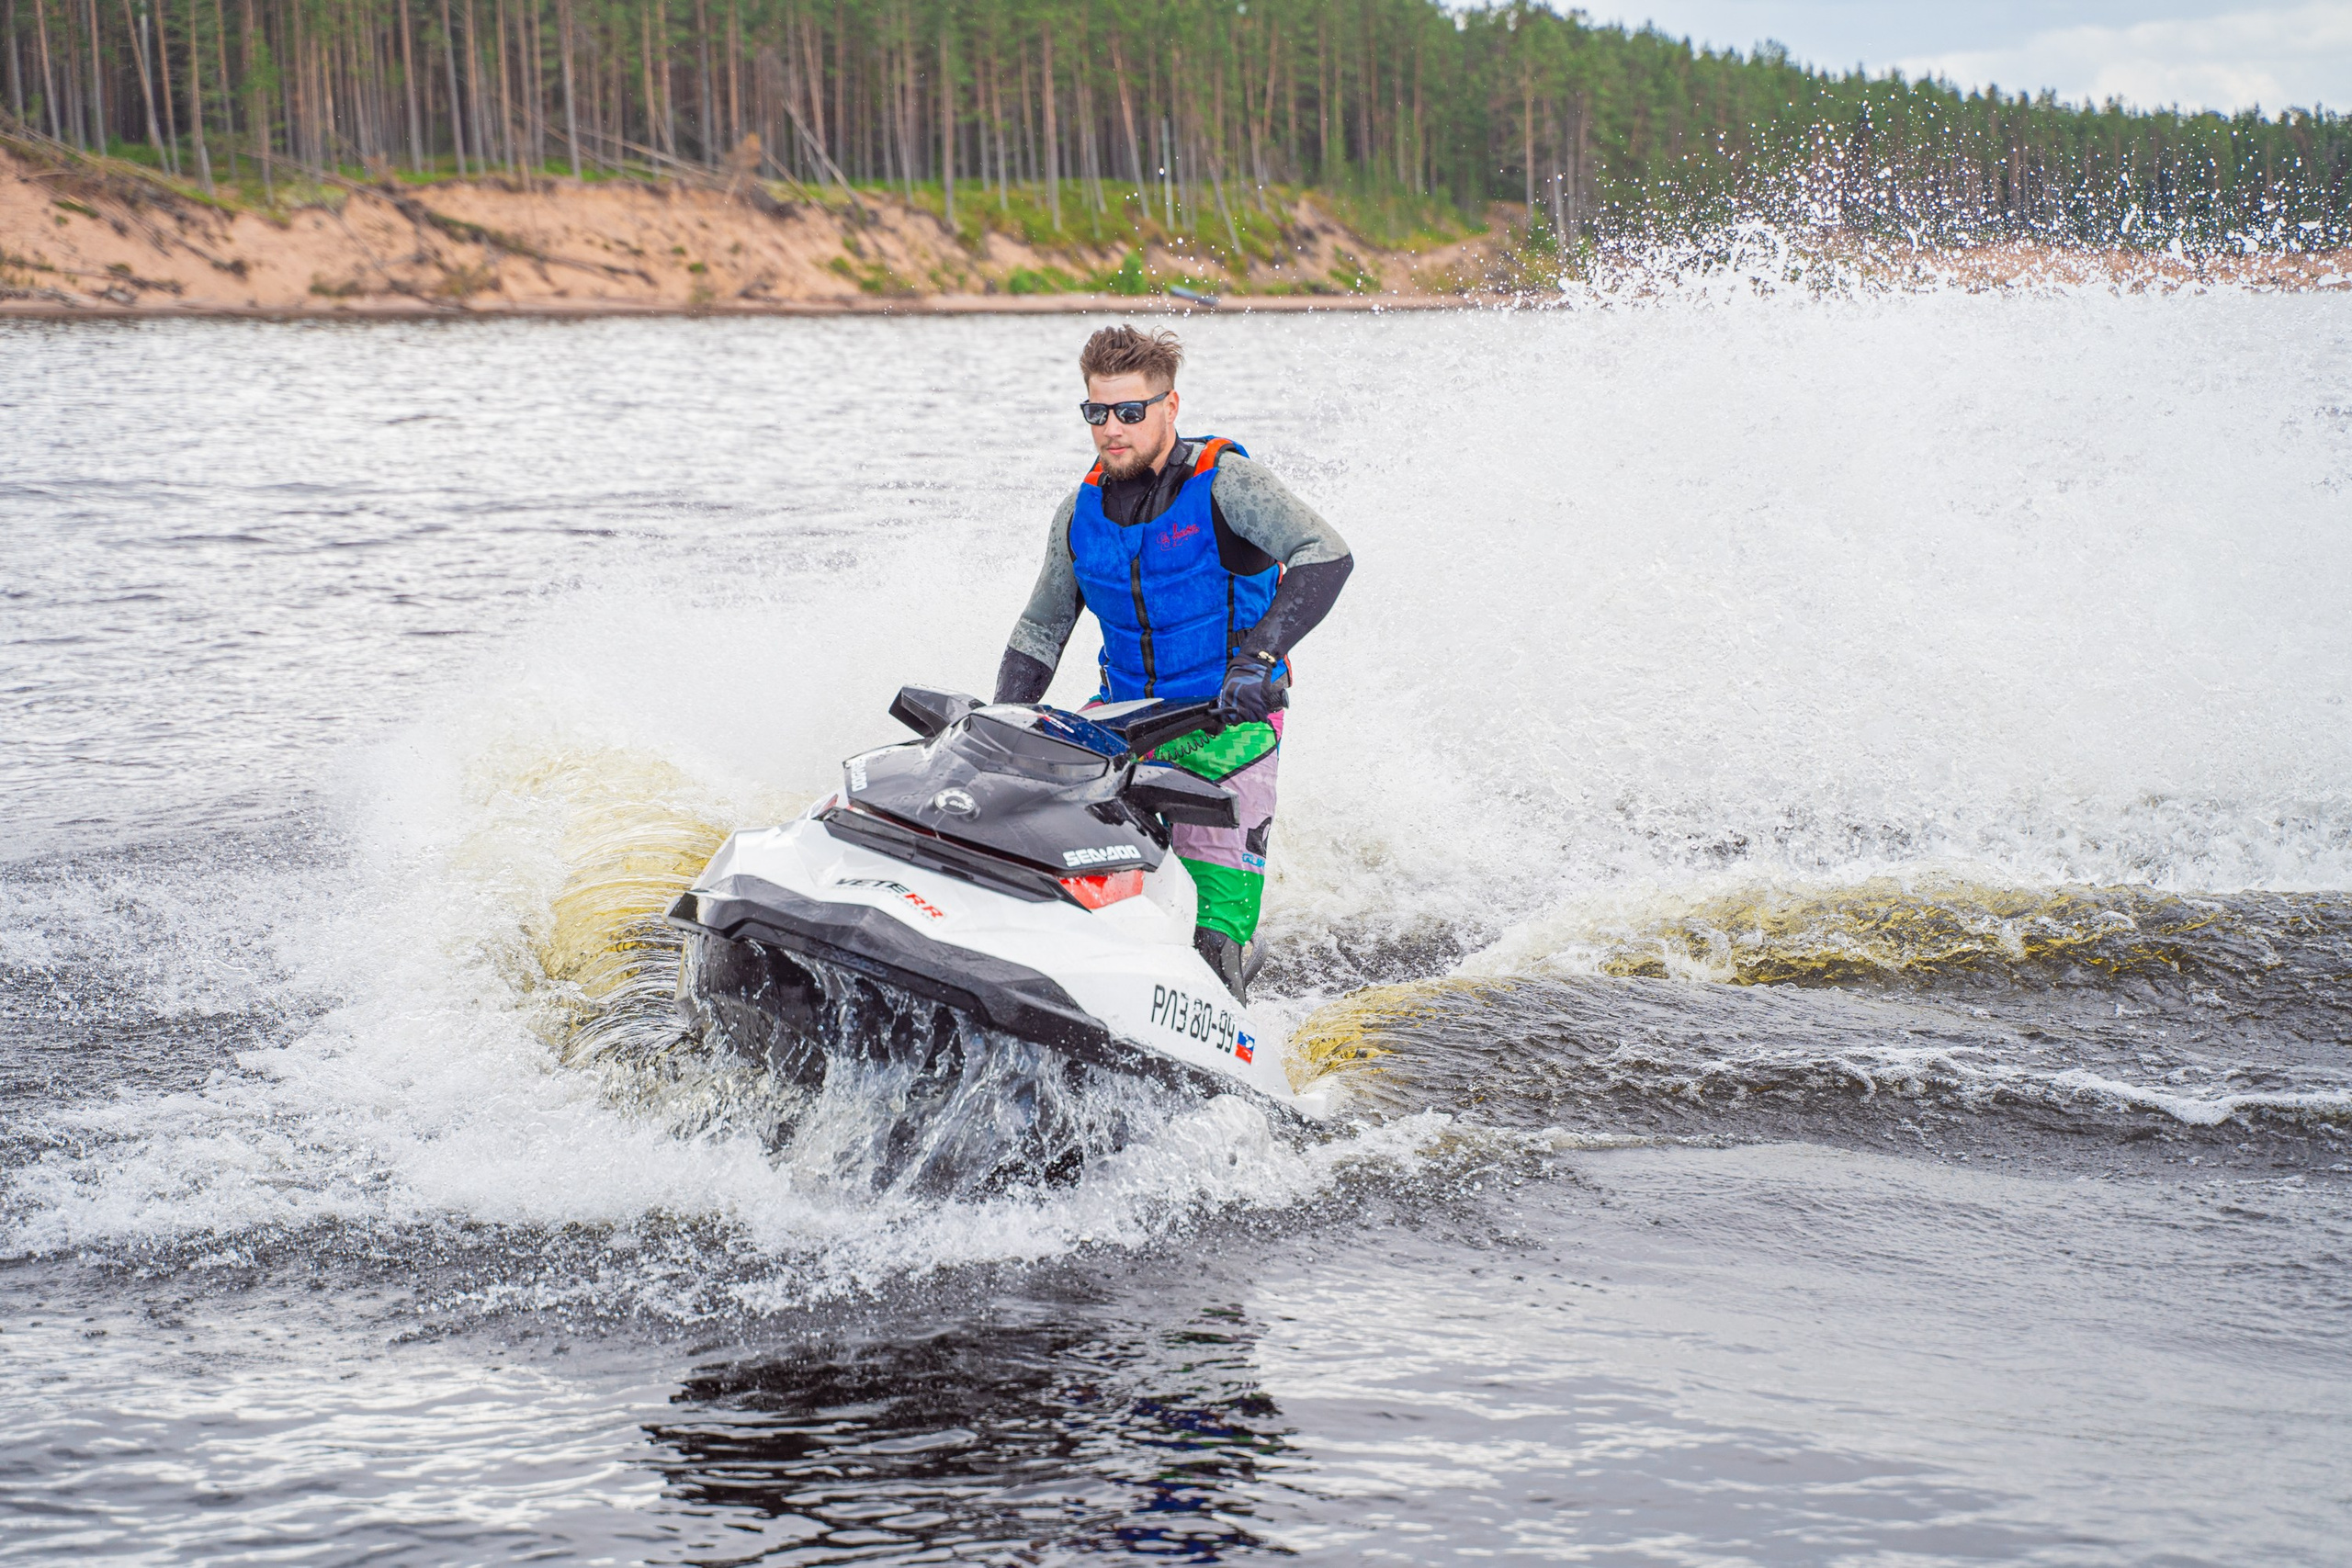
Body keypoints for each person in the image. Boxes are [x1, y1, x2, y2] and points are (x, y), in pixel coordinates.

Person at [993, 325, 1353, 1002]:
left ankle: (1228, 982)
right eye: (1096, 412)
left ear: (1170, 406)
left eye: (1130, 411)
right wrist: (1002, 723)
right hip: (1123, 724)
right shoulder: (1077, 514)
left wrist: (1260, 658)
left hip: (1231, 730)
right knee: (1047, 863)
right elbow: (1041, 630)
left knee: (1209, 937)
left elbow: (1326, 554)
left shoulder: (1229, 485)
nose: (1111, 429)